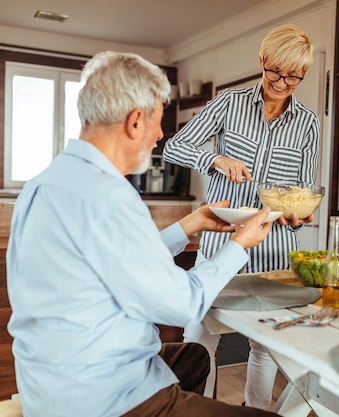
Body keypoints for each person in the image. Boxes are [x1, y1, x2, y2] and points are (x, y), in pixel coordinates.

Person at [6, 51, 279, 417]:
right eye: (158, 121)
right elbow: (183, 305)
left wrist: (190, 224)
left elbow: (118, 259)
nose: (160, 135)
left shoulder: (45, 183)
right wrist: (238, 244)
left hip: (51, 382)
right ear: (136, 122)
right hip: (103, 397)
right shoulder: (109, 195)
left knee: (194, 357)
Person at [162, 24, 320, 408]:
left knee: (264, 346)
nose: (282, 83)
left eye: (294, 76)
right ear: (262, 61)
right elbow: (174, 147)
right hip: (221, 243)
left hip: (274, 251)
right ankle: (196, 410)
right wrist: (214, 158)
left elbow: (303, 188)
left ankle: (256, 412)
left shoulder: (308, 124)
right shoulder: (227, 104)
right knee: (199, 336)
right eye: (275, 71)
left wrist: (297, 215)